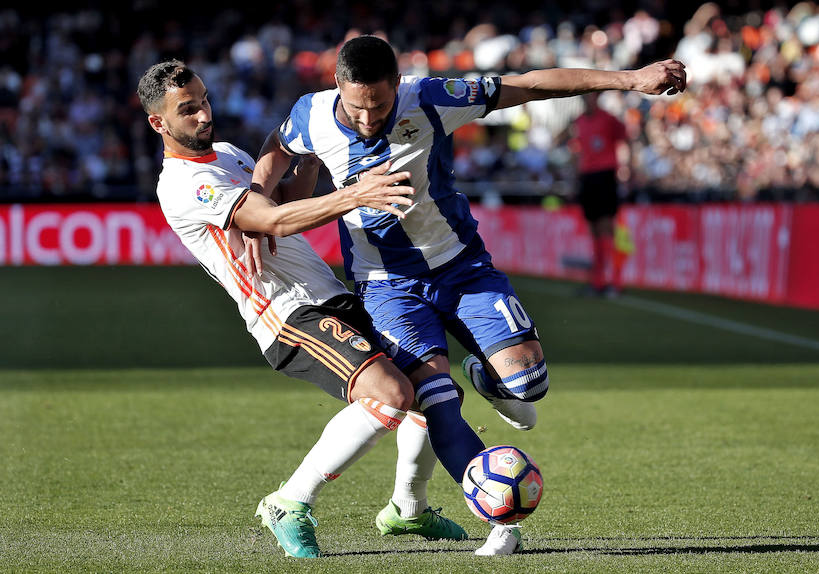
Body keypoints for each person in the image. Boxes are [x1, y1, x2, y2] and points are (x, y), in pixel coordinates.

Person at [252, 35, 687, 555]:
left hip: (463, 267)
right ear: (338, 88)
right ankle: (499, 521)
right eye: (357, 106)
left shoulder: (432, 97)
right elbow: (276, 151)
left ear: (398, 85)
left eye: (381, 105)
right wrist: (258, 210)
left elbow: (528, 85)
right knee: (437, 400)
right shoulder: (313, 114)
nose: (369, 119)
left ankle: (487, 375)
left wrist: (633, 79)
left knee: (528, 387)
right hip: (388, 288)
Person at [136, 59, 469, 559]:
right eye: (188, 110)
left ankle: (408, 508)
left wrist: (309, 150)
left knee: (432, 390)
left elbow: (288, 199)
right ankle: (289, 502)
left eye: (204, 100)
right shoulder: (182, 184)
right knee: (390, 394)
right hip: (283, 311)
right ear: (158, 123)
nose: (204, 115)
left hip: (326, 294)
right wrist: (353, 194)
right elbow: (273, 220)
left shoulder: (227, 154)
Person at [571, 94, 628, 297]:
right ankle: (598, 281)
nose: (588, 100)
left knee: (606, 227)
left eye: (592, 96)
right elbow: (577, 151)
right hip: (588, 178)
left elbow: (624, 140)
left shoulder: (609, 119)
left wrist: (626, 169)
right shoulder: (579, 121)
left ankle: (614, 281)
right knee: (594, 229)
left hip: (605, 175)